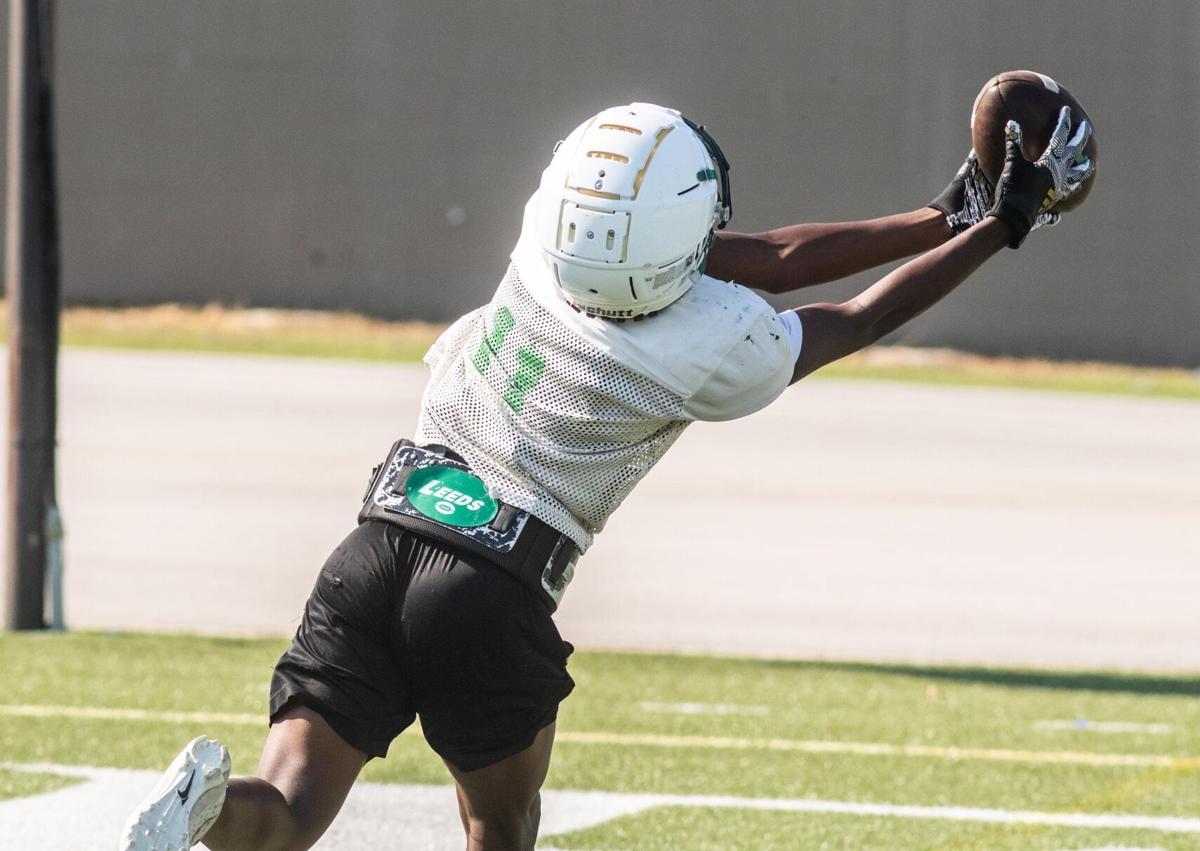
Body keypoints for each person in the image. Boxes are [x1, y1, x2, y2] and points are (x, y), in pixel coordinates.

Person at [119, 101, 1092, 851]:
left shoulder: (544, 255)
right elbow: (852, 312)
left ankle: (208, 805)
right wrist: (998, 225)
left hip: (377, 545)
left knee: (287, 808)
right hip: (487, 588)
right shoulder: (707, 345)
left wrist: (946, 212)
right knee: (500, 827)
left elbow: (769, 257)